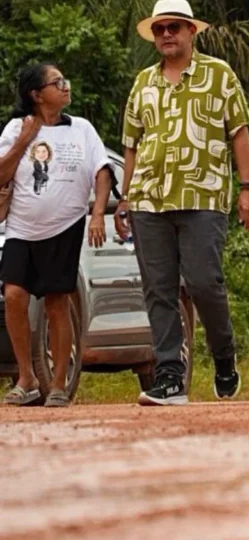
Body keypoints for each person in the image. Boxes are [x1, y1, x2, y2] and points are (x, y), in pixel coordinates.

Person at [119, 0, 249, 406]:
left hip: (203, 195)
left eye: (174, 27)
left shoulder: (219, 74)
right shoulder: (144, 82)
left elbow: (239, 132)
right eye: (159, 29)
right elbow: (131, 144)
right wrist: (125, 197)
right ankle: (169, 376)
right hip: (149, 198)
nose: (166, 34)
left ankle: (224, 355)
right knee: (158, 289)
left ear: (191, 31)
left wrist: (247, 188)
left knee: (202, 282)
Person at [0, 63, 112, 407]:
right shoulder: (16, 128)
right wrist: (24, 140)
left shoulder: (82, 129)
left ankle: (59, 383)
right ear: (36, 94)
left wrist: (97, 215)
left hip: (64, 227)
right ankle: (27, 378)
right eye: (57, 82)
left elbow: (103, 171)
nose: (66, 86)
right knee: (14, 295)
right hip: (20, 228)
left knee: (57, 302)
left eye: (65, 80)